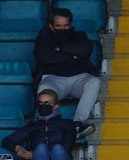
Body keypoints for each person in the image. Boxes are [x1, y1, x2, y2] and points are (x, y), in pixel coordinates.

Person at [34, 8, 98, 136]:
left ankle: (77, 124)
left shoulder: (79, 35)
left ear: (71, 25)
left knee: (94, 82)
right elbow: (44, 57)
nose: (63, 29)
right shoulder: (44, 38)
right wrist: (71, 54)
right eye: (58, 26)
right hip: (53, 80)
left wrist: (59, 50)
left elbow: (84, 51)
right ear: (51, 26)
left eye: (66, 26)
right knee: (44, 89)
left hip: (78, 79)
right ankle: (49, 128)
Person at [1, 90, 77, 160]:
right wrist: (17, 148)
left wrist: (34, 154)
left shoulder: (67, 124)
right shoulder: (33, 125)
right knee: (41, 147)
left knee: (57, 148)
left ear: (56, 106)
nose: (43, 106)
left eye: (47, 103)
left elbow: (67, 146)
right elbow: (7, 141)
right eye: (40, 103)